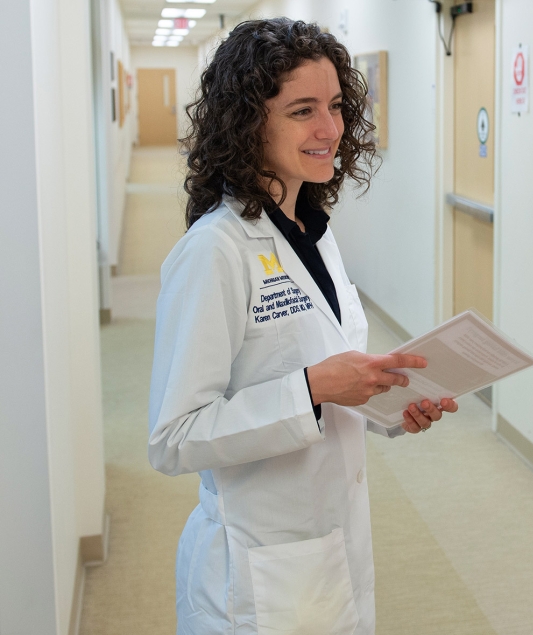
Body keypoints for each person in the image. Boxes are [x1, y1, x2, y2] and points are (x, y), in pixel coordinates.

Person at [148, 18, 457, 634]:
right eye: (302, 110)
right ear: (247, 121)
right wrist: (313, 389)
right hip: (258, 570)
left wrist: (389, 403)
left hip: (328, 548)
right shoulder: (217, 249)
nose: (330, 129)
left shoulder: (311, 231)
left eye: (338, 106)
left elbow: (322, 376)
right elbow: (174, 438)